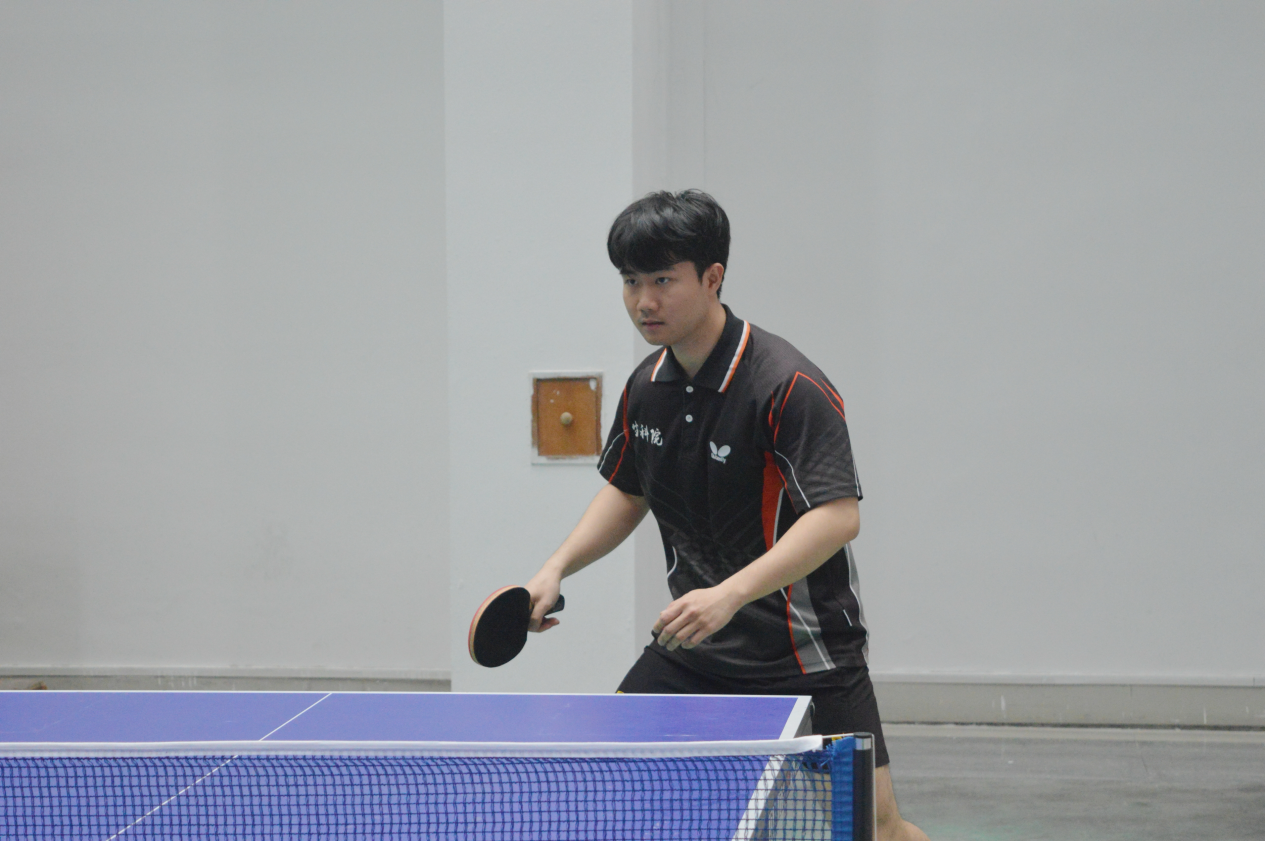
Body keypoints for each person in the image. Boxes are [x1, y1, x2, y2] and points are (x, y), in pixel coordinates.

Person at [525, 190, 929, 841]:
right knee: (604, 794)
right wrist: (555, 568)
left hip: (805, 652)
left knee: (874, 831)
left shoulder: (784, 385)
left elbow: (837, 517)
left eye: (663, 280)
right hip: (694, 648)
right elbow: (628, 490)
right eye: (630, 281)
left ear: (712, 277)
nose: (643, 301)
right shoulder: (646, 387)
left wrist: (730, 594)